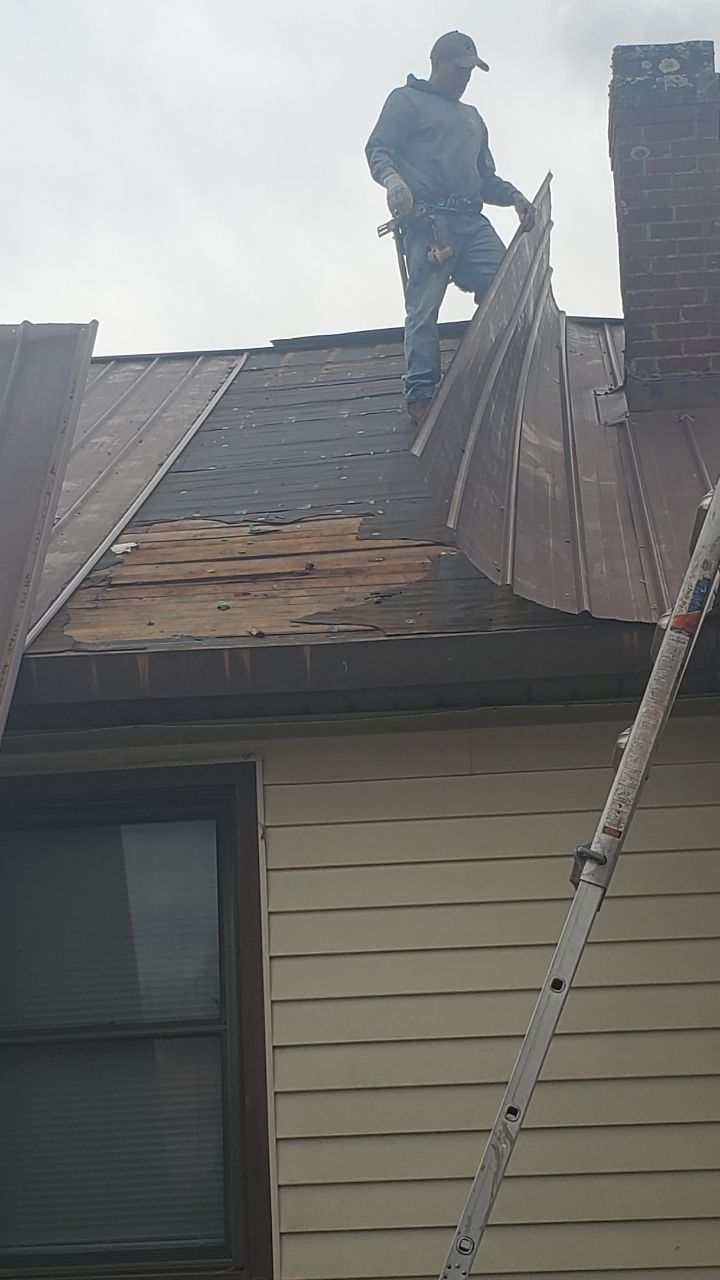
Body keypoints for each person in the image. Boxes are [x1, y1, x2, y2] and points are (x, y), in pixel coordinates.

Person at [366, 31, 536, 425]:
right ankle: (422, 393)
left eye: (470, 71)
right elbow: (379, 149)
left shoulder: (472, 118)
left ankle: (489, 368)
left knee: (505, 285)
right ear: (437, 63)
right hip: (428, 222)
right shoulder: (406, 101)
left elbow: (484, 177)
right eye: (460, 69)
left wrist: (513, 197)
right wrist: (393, 181)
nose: (465, 78)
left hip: (471, 221)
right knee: (424, 308)